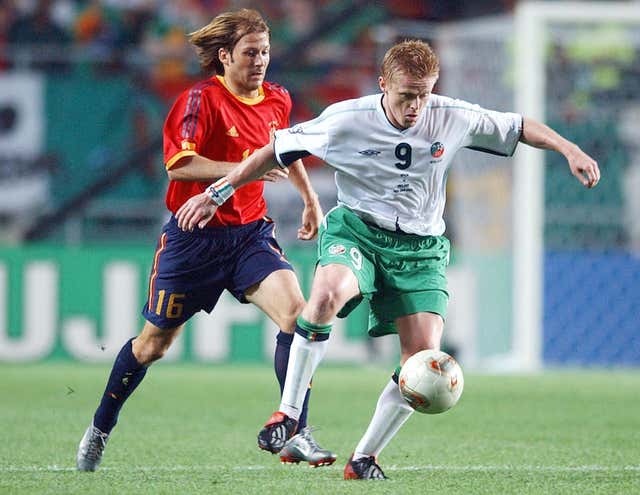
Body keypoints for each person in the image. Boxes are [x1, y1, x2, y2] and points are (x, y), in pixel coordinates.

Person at [175, 40, 600, 479]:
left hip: (420, 250)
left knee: (422, 364)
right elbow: (274, 150)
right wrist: (217, 192)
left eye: (424, 94)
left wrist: (570, 149)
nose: (416, 106)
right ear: (383, 85)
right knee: (324, 297)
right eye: (406, 95)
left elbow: (518, 126)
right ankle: (287, 413)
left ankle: (364, 458)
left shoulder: (450, 115)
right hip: (357, 230)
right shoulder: (346, 120)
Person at [76, 9, 336, 472]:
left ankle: (297, 431)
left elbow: (285, 148)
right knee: (152, 346)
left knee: (299, 317)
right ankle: (100, 427)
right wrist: (243, 171)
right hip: (193, 240)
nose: (261, 61)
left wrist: (311, 199)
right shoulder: (198, 100)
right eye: (251, 53)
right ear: (224, 56)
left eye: (266, 52)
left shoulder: (277, 98)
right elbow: (179, 165)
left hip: (250, 234)